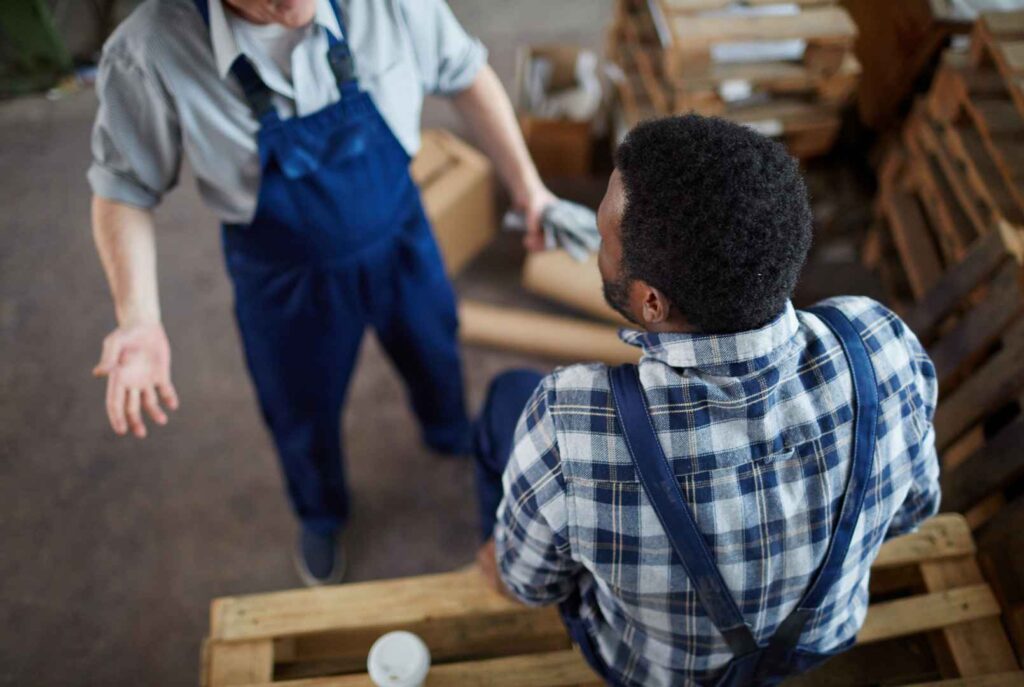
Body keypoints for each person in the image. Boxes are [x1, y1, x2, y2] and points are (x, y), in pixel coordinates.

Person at [88, 0, 557, 585]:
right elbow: (123, 187)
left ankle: (449, 434)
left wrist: (529, 188)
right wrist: (137, 317)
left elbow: (465, 73)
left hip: (400, 238)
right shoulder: (150, 49)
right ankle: (321, 513)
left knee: (435, 347)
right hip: (284, 276)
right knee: (298, 407)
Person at [473, 115, 940, 686]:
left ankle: (495, 541)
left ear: (651, 303)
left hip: (658, 672)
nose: (596, 250)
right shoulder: (880, 343)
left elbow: (533, 587)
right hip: (818, 638)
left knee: (506, 398)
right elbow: (914, 510)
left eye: (602, 239)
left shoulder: (569, 423)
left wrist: (513, 564)